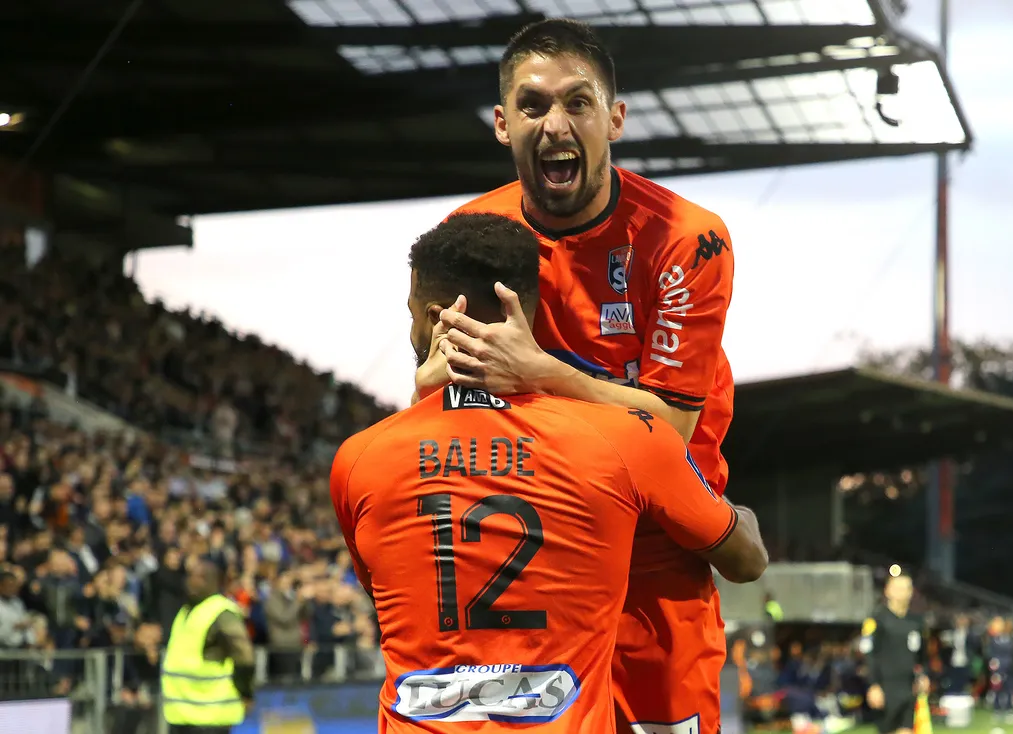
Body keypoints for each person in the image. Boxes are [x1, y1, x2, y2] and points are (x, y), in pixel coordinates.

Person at [416, 18, 739, 734]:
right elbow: (441, 398)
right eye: (532, 106)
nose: (554, 123)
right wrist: (429, 382)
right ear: (502, 124)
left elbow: (673, 429)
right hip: (533, 551)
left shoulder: (688, 239)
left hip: (658, 552)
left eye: (578, 103)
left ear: (614, 118)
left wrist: (536, 372)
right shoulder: (470, 235)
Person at [331, 214, 767, 732]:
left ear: (433, 317)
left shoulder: (360, 461)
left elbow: (388, 588)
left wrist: (421, 400)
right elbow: (747, 560)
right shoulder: (626, 440)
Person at [160, 557, 255, 734]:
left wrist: (246, 692)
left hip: (211, 718)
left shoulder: (222, 612)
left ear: (213, 582)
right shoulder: (185, 611)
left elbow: (245, 657)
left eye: (199, 577)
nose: (191, 581)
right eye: (191, 576)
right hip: (180, 716)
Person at [861, 572, 928, 734]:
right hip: (885, 687)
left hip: (908, 686)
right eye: (897, 588)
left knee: (907, 730)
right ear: (887, 591)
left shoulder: (916, 621)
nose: (901, 592)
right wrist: (873, 685)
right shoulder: (877, 618)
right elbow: (869, 654)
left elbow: (921, 654)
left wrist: (923, 675)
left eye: (906, 588)